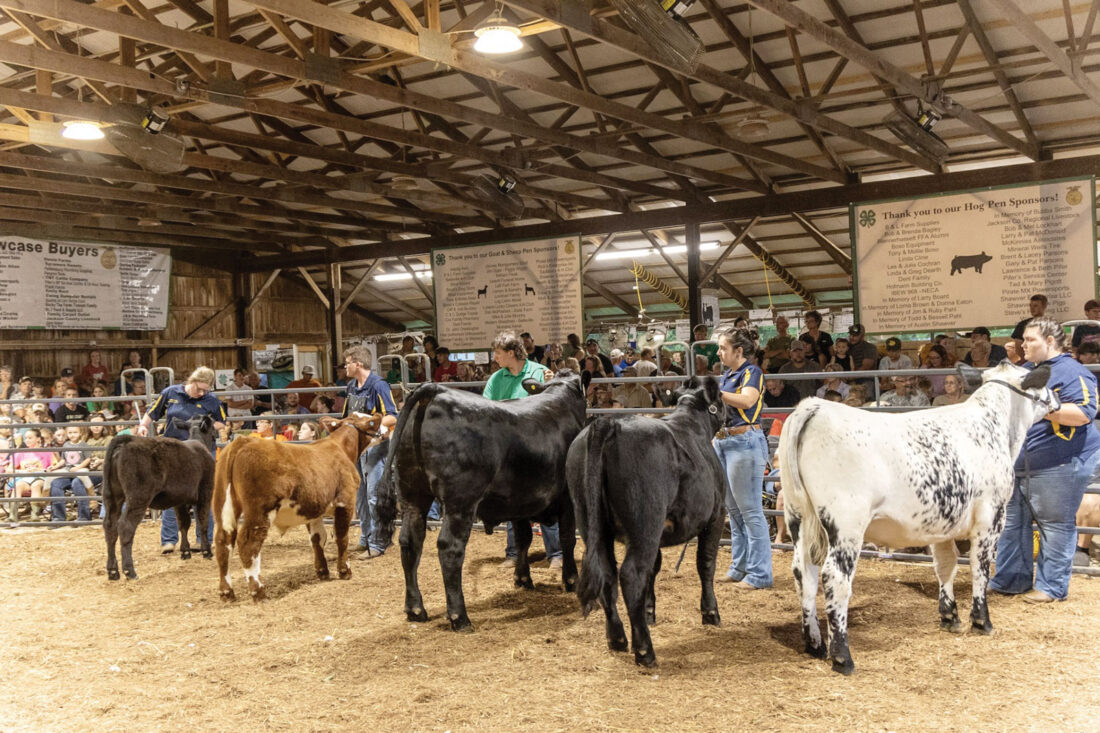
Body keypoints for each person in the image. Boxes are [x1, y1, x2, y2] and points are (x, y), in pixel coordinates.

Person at [990, 316, 1100, 603]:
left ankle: (1051, 587)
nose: (1022, 344)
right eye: (1023, 339)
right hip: (1019, 461)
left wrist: (1043, 407)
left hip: (1061, 460)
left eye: (1030, 340)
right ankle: (1010, 579)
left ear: (1050, 341)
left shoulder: (1072, 372)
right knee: (1012, 522)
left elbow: (1083, 414)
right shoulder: (1026, 371)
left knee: (1054, 524)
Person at [484, 331, 562, 571]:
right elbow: (486, 407)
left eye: (498, 352)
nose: (495, 357)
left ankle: (556, 554)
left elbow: (555, 402)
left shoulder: (539, 372)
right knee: (511, 499)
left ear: (510, 353)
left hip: (538, 445)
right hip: (509, 448)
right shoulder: (496, 379)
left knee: (544, 498)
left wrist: (552, 382)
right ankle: (515, 554)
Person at [138, 367, 226, 553]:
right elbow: (153, 413)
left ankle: (203, 539)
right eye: (199, 389)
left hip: (201, 452)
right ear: (191, 381)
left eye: (205, 390)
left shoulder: (211, 400)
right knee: (170, 494)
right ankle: (169, 540)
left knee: (204, 496)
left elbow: (222, 423)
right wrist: (143, 426)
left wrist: (209, 423)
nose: (201, 393)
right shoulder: (171, 393)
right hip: (174, 451)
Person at [713, 327, 771, 590]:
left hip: (745, 441)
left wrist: (714, 393)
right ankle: (739, 567)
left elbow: (747, 401)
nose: (718, 352)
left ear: (738, 351)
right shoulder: (728, 375)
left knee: (750, 511)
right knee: (734, 510)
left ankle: (759, 574)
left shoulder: (752, 372)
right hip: (724, 441)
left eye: (723, 348)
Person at [342, 345, 398, 560]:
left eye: (348, 362)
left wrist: (369, 426)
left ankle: (378, 541)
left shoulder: (378, 385)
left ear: (358, 364)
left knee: (374, 494)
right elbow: (347, 414)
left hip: (374, 445)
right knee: (360, 495)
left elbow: (392, 415)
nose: (345, 366)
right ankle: (366, 537)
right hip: (356, 445)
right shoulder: (351, 387)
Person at [49, 424, 93, 524]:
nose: (72, 435)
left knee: (77, 483)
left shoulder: (84, 445)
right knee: (55, 483)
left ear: (80, 433)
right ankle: (59, 517)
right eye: (70, 433)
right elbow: (63, 460)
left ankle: (84, 516)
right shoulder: (66, 445)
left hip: (81, 471)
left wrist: (78, 467)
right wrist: (55, 467)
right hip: (68, 471)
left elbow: (88, 459)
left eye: (75, 432)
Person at [846, 324, 878, 393]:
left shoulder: (870, 348)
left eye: (855, 335)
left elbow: (865, 368)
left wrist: (849, 377)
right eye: (851, 334)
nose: (852, 337)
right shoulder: (846, 347)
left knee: (867, 391)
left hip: (865, 379)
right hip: (847, 378)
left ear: (862, 336)